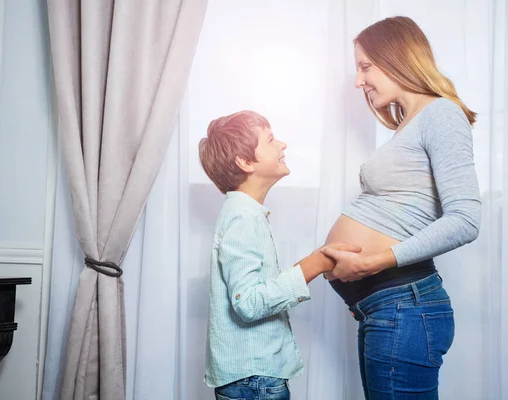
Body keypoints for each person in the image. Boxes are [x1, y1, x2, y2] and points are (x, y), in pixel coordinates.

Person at [320, 16, 481, 399]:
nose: (359, 81)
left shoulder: (441, 114)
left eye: (365, 67)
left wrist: (372, 263)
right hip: (387, 309)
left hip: (404, 308)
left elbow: (465, 220)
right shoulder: (410, 124)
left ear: (395, 57)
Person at [199, 110, 360, 400]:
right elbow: (248, 303)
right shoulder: (243, 218)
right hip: (255, 380)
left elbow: (258, 286)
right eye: (271, 139)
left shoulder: (245, 213)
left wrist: (317, 259)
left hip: (252, 378)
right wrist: (314, 265)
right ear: (245, 162)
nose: (283, 144)